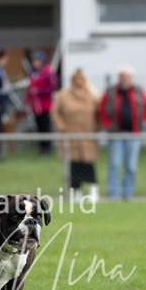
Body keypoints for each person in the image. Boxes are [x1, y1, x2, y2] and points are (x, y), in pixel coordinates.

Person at [99, 65, 146, 201]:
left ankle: (128, 193)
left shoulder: (138, 91)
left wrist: (144, 120)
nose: (125, 79)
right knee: (115, 164)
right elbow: (102, 108)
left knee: (131, 166)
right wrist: (107, 125)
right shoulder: (111, 92)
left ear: (131, 78)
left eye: (127, 76)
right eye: (122, 76)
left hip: (133, 134)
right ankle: (113, 194)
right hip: (116, 134)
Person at [51, 68, 101, 201]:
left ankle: (93, 190)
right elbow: (55, 112)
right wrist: (62, 126)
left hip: (87, 135)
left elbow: (100, 113)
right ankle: (76, 192)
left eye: (81, 78)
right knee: (73, 165)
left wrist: (97, 126)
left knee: (88, 163)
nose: (78, 81)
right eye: (76, 78)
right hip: (70, 136)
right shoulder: (64, 95)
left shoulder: (92, 95)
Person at [27, 50, 57, 156]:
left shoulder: (47, 72)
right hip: (36, 107)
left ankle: (47, 149)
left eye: (37, 61)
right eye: (33, 61)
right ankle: (42, 149)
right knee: (39, 127)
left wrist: (38, 91)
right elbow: (30, 89)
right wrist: (27, 98)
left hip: (45, 106)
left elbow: (52, 87)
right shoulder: (32, 74)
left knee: (45, 127)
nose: (35, 63)